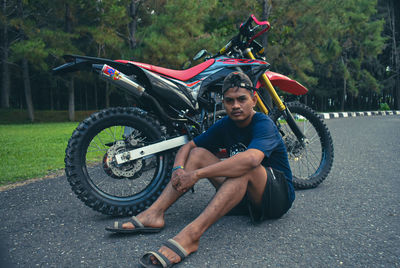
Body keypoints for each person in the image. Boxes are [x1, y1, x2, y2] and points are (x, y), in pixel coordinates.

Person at [106, 72, 295, 267]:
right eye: (229, 101)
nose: (236, 106)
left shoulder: (264, 124)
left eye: (241, 99)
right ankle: (154, 213)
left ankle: (191, 235)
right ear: (223, 103)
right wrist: (178, 170)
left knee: (244, 166)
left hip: (275, 200)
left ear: (254, 100)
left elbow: (252, 159)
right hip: (242, 197)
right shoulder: (225, 124)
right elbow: (189, 147)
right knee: (198, 154)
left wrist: (196, 175)